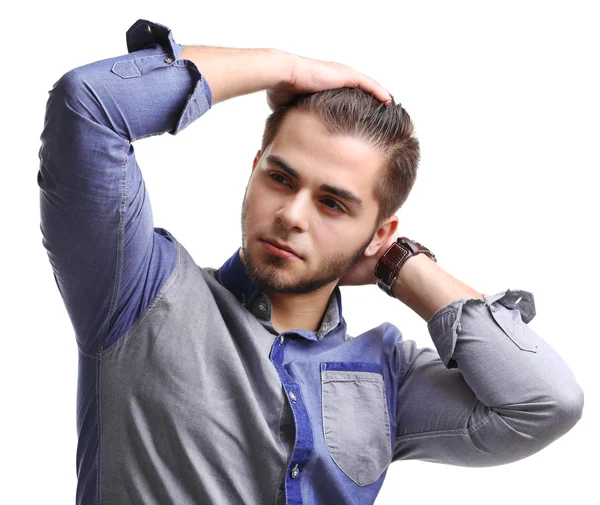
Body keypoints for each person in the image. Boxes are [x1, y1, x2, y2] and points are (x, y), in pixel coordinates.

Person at [37, 18, 584, 505]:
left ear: (379, 233)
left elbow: (544, 405)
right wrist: (284, 66)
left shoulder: (388, 373)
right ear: (254, 171)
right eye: (280, 178)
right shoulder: (137, 290)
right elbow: (86, 105)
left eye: (333, 203)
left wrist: (401, 265)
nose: (292, 215)